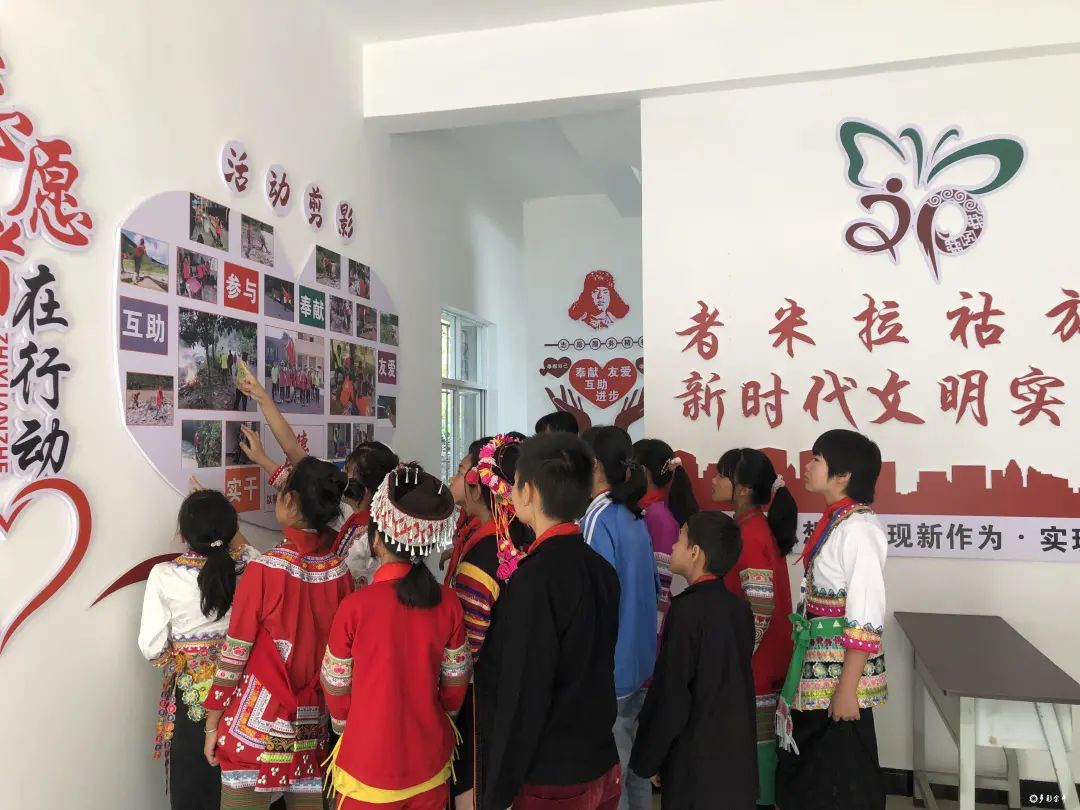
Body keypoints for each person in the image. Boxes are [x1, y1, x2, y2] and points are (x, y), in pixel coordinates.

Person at [477, 431, 621, 810]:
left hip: (553, 778)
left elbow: (523, 693)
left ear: (529, 492)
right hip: (601, 762)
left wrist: (497, 792)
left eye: (515, 483)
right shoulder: (601, 569)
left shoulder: (534, 580)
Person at [201, 458, 353, 808]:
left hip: (256, 725)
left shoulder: (264, 569)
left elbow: (235, 654)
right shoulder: (340, 572)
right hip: (311, 723)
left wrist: (212, 723)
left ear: (291, 502)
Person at [322, 463, 469, 810]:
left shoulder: (355, 607)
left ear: (375, 540)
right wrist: (438, 720)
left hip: (367, 767)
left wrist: (347, 728)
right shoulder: (448, 602)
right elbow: (455, 684)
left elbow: (335, 686)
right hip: (429, 761)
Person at [774, 429, 888, 810]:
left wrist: (847, 689)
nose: (807, 467)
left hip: (838, 675)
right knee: (815, 768)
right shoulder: (839, 521)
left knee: (840, 770)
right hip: (818, 666)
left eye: (817, 460)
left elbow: (866, 613)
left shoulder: (860, 529)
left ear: (843, 475)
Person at [139, 488, 259, 810]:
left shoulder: (165, 575)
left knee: (195, 784)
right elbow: (246, 550)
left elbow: (151, 647)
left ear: (183, 535)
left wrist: (184, 659)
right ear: (232, 531)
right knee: (243, 784)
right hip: (243, 689)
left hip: (193, 693)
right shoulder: (251, 565)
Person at [629, 512, 757, 810]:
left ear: (695, 552)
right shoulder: (740, 610)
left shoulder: (687, 612)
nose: (674, 546)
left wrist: (650, 758)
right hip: (736, 764)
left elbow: (671, 695)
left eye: (680, 538)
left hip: (694, 767)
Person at [448, 435, 533, 810]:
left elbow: (467, 648)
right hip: (522, 685)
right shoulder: (524, 539)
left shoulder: (483, 557)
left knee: (478, 780)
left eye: (462, 470)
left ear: (477, 487)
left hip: (485, 696)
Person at [712, 448, 798, 807]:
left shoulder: (750, 533)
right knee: (760, 752)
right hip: (764, 663)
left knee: (758, 754)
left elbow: (761, 609)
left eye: (721, 475)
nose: (713, 481)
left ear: (744, 488)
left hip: (756, 668)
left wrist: (735, 658)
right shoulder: (752, 527)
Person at [580, 426, 658, 810]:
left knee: (613, 782)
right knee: (634, 774)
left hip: (613, 672)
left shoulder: (599, 517)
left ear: (594, 466)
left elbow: (593, 602)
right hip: (640, 662)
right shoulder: (632, 513)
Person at [632, 439, 699, 639]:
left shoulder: (660, 517)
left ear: (642, 471)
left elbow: (661, 584)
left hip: (648, 621)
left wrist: (651, 630)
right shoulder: (645, 509)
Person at [333, 440, 401, 587]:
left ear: (363, 491)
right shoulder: (358, 523)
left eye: (347, 475)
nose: (342, 480)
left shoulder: (368, 538)